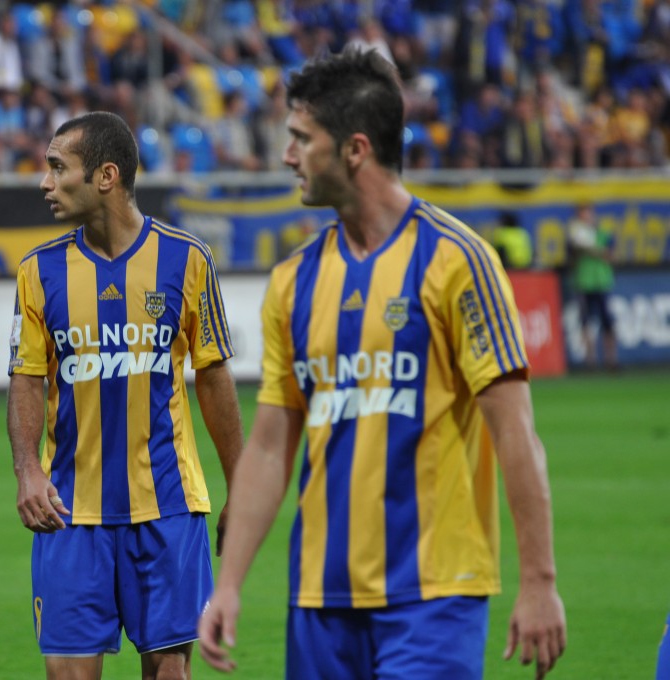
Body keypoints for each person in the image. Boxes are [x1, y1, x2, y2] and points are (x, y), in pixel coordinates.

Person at [198, 47, 566, 679]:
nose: (287, 156)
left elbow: (516, 433)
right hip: (319, 598)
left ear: (355, 149)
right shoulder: (294, 280)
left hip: (434, 593)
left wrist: (539, 581)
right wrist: (228, 584)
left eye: (301, 138)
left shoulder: (457, 261)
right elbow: (269, 446)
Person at [7, 111, 244, 680]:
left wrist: (241, 487)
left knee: (168, 673)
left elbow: (213, 377)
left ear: (106, 176)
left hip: (167, 507)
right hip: (68, 511)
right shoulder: (39, 271)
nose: (45, 183)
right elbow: (27, 378)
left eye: (58, 168)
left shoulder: (187, 259)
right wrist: (27, 471)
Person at [567, 202, 618, 370]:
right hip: (584, 283)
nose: (585, 218)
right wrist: (577, 245)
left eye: (587, 214)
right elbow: (570, 259)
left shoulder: (603, 234)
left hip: (602, 282)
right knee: (586, 323)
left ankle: (611, 360)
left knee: (608, 322)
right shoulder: (574, 236)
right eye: (581, 215)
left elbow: (611, 256)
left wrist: (590, 247)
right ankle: (590, 361)